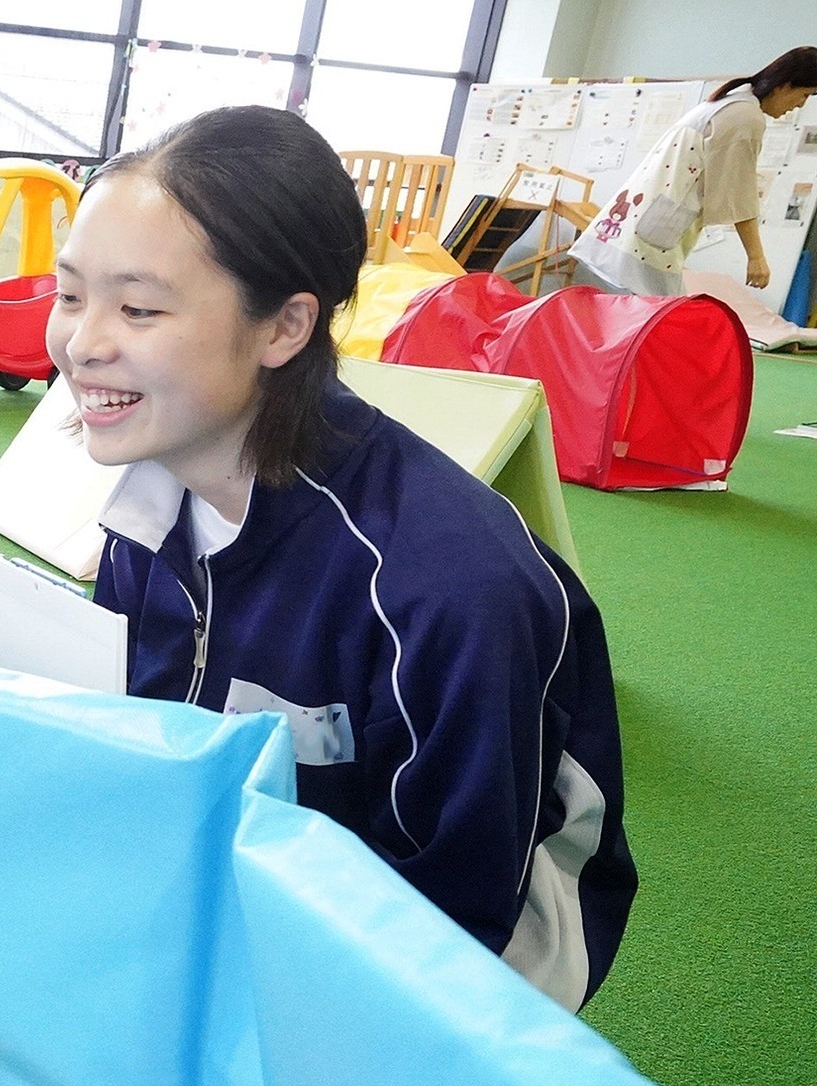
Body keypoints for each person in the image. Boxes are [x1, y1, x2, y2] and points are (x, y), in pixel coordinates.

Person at [50, 105, 636, 1011]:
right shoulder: (145, 497)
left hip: (479, 946)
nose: (84, 343)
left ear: (285, 327)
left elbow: (456, 914)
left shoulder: (445, 587)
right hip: (263, 860)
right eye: (69, 294)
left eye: (137, 307)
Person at [571, 48, 817, 295]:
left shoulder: (728, 102)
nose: (799, 105)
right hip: (650, 237)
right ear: (784, 86)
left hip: (639, 229)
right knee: (655, 318)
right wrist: (756, 257)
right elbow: (739, 189)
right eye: (805, 95)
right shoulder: (744, 116)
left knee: (641, 315)